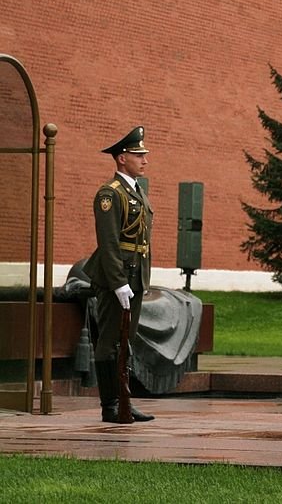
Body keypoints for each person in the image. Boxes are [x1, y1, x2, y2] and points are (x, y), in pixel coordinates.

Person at [83, 126, 156, 423]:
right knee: (111, 340)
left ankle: (124, 400)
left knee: (126, 341)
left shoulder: (137, 191)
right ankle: (110, 404)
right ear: (122, 158)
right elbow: (109, 241)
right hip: (118, 278)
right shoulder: (109, 194)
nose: (145, 160)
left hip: (135, 276)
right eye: (139, 155)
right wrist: (118, 282)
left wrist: (138, 280)